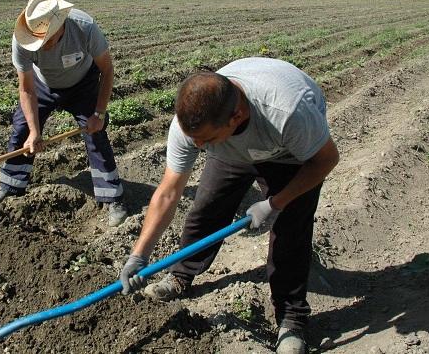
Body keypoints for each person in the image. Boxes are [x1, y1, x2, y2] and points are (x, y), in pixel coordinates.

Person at [119, 57, 339, 353]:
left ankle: (292, 319)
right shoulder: (194, 126)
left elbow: (326, 160)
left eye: (205, 139)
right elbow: (169, 193)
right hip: (232, 149)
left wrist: (274, 203)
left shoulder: (287, 111)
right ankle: (182, 275)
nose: (198, 147)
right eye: (194, 139)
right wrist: (139, 254)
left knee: (291, 229)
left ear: (235, 116)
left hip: (291, 155)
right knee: (206, 209)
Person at [0, 0, 128, 227]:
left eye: (45, 40)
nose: (41, 46)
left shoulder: (85, 27)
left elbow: (108, 69)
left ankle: (113, 196)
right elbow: (26, 89)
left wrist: (99, 114)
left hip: (83, 83)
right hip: (43, 85)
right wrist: (34, 132)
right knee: (22, 129)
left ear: (60, 25)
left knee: (95, 133)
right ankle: (11, 186)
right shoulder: (21, 39)